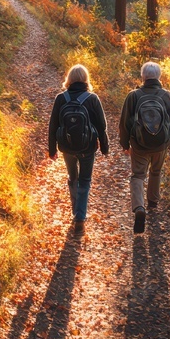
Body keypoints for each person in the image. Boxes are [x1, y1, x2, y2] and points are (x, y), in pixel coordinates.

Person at [119, 61, 170, 233]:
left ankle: (139, 207)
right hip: (161, 145)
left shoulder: (133, 96)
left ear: (143, 76)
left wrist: (125, 144)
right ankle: (153, 203)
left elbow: (124, 123)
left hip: (139, 145)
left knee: (138, 175)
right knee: (155, 171)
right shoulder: (167, 96)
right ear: (159, 77)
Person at [48, 64, 109, 223]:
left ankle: (75, 208)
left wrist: (52, 149)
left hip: (66, 147)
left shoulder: (61, 98)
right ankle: (80, 216)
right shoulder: (92, 98)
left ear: (69, 79)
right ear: (85, 79)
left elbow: (53, 126)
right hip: (88, 147)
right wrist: (104, 147)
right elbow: (102, 126)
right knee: (85, 179)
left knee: (72, 177)